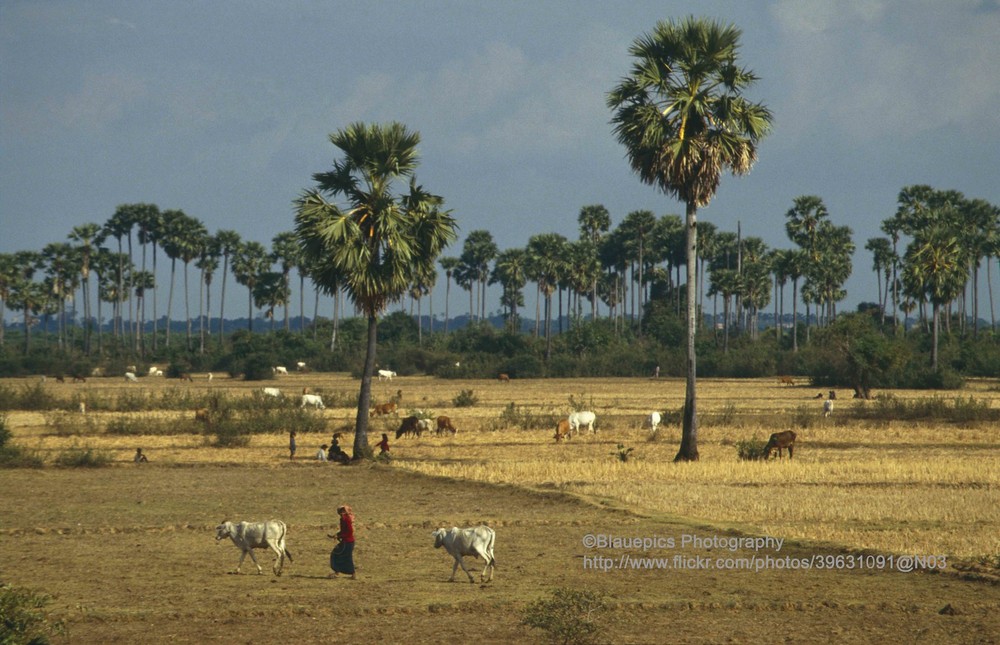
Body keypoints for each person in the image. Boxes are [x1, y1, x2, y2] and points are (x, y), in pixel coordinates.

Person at [328, 505, 356, 579]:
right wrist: (337, 535)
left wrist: (340, 536)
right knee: (337, 555)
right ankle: (339, 572)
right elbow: (343, 531)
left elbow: (349, 531)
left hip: (348, 542)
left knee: (345, 557)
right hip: (346, 541)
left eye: (342, 511)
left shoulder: (346, 519)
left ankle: (349, 573)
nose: (341, 513)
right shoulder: (343, 519)